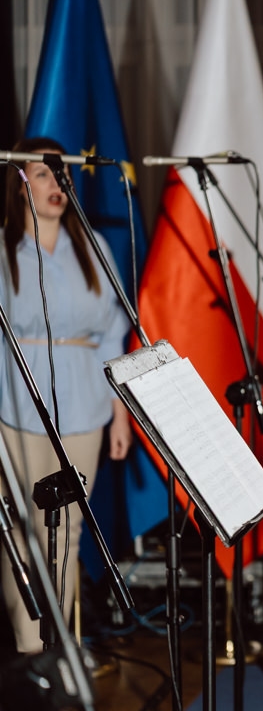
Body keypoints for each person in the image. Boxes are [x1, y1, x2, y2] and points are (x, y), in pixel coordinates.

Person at [0, 137, 132, 653]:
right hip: (14, 402)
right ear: (18, 184)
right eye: (42, 175)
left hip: (84, 406)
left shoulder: (94, 247)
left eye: (61, 174)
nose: (56, 185)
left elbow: (114, 335)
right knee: (27, 534)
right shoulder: (4, 250)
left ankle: (58, 655)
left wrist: (120, 415)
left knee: (70, 531)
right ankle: (30, 651)